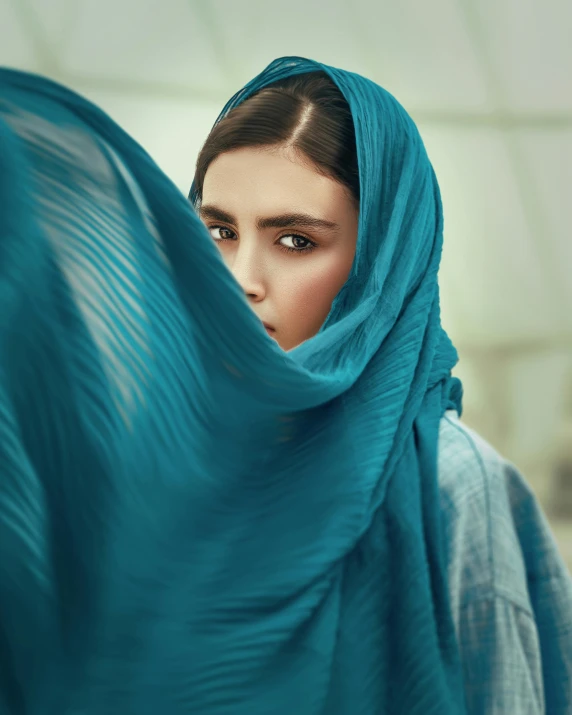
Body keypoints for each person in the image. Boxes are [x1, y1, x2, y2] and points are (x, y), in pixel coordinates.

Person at [0, 57, 570, 715]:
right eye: (218, 231)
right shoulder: (151, 472)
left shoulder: (449, 483)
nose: (241, 278)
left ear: (377, 267)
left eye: (295, 240)